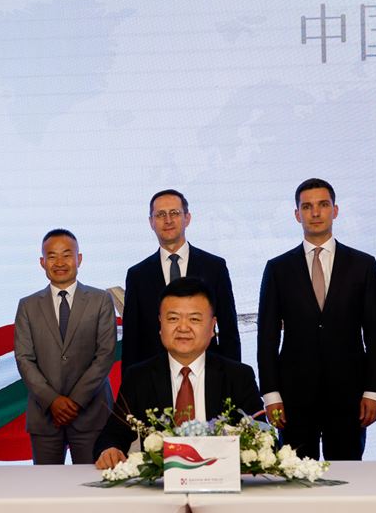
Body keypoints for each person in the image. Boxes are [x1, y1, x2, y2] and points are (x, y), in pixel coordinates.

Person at [257, 178, 376, 460]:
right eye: (307, 207)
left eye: (323, 205)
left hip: (349, 395)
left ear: (335, 210)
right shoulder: (278, 268)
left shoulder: (363, 265)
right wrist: (271, 394)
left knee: (348, 475)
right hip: (293, 397)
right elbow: (267, 338)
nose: (315, 213)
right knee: (295, 476)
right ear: (297, 214)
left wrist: (374, 391)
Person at [94, 277, 261, 469]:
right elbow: (112, 435)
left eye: (194, 319)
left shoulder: (238, 377)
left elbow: (263, 438)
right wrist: (110, 449)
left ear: (212, 326)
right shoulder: (139, 377)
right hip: (161, 482)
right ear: (160, 324)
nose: (183, 327)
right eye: (173, 318)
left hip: (222, 478)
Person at [14, 229, 117, 464]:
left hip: (91, 413)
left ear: (79, 259)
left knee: (91, 482)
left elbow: (105, 355)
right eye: (52, 256)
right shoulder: (28, 305)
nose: (59, 262)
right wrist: (53, 401)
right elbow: (24, 358)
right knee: (45, 484)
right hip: (44, 414)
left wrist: (76, 401)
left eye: (67, 255)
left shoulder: (101, 300)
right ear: (42, 262)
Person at [120, 189, 240, 370]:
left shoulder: (214, 267)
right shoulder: (137, 275)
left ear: (187, 218)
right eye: (160, 215)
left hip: (207, 372)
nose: (168, 220)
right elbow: (131, 339)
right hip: (154, 376)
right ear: (151, 222)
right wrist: (130, 384)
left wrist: (233, 378)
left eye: (174, 213)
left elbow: (228, 330)